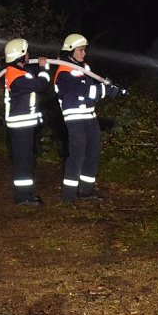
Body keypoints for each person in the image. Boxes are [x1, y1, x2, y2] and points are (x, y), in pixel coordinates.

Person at [53, 33, 125, 204]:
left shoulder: (84, 68)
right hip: (75, 120)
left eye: (84, 50)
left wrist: (109, 88)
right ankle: (68, 197)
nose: (84, 53)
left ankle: (86, 191)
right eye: (80, 50)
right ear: (70, 51)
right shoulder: (64, 72)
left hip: (90, 117)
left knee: (92, 153)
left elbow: (93, 89)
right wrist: (107, 91)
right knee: (76, 156)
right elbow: (83, 90)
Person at [3, 38, 50, 206]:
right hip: (20, 126)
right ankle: (22, 198)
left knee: (27, 159)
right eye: (26, 53)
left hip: (23, 125)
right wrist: (44, 68)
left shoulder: (18, 72)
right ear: (21, 57)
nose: (29, 55)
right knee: (23, 161)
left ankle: (27, 194)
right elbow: (41, 84)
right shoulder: (17, 76)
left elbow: (31, 77)